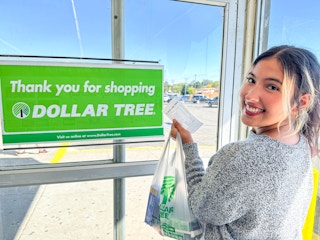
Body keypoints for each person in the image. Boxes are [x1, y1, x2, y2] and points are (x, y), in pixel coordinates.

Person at [171, 45, 320, 239]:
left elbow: (203, 208)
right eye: (251, 80)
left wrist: (188, 148)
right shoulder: (302, 145)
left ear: (301, 102)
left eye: (272, 86)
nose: (250, 96)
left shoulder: (240, 155)